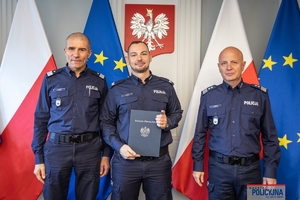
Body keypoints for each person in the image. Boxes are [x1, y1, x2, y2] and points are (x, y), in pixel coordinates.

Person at [192, 46, 281, 200]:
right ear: (218, 67)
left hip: (251, 171)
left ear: (243, 65)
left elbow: (270, 137)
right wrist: (198, 165)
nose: (229, 67)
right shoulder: (209, 96)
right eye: (224, 63)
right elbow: (200, 134)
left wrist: (270, 171)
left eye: (234, 62)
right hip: (219, 171)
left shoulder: (259, 96)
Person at [31, 32, 110, 200]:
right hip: (57, 149)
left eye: (82, 50)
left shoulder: (99, 81)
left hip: (89, 149)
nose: (76, 54)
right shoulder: (51, 80)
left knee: (88, 196)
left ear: (89, 54)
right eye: (72, 49)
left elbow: (106, 121)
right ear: (65, 51)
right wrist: (38, 158)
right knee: (53, 196)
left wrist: (105, 155)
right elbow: (41, 119)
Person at [100, 41, 183, 200]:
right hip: (125, 163)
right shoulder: (117, 89)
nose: (139, 58)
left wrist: (168, 122)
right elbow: (106, 123)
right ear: (127, 59)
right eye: (134, 55)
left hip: (158, 163)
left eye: (143, 53)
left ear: (150, 57)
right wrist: (119, 147)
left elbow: (176, 113)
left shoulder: (166, 87)